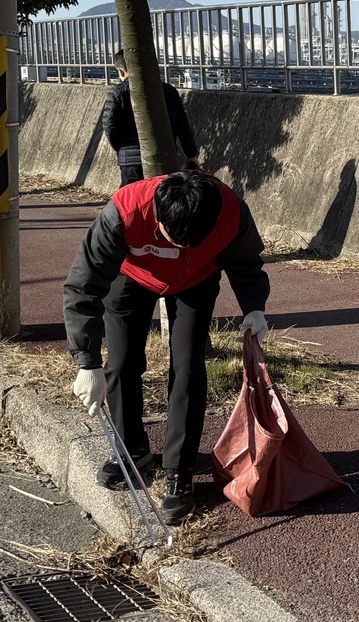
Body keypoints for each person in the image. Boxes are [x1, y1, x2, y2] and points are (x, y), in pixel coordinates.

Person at [63, 169, 271, 524]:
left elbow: (245, 261)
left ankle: (179, 472)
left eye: (188, 243)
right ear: (157, 217)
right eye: (171, 239)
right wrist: (86, 361)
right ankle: (133, 450)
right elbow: (83, 287)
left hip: (197, 279)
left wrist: (254, 306)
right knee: (121, 361)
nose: (176, 250)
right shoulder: (124, 213)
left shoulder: (233, 211)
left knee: (188, 365)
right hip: (133, 275)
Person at [102, 49, 199, 186]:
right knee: (163, 197)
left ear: (121, 71)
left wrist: (122, 147)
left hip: (131, 159)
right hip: (165, 156)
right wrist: (191, 154)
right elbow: (183, 126)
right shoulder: (169, 91)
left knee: (132, 199)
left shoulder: (117, 93)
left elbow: (110, 125)